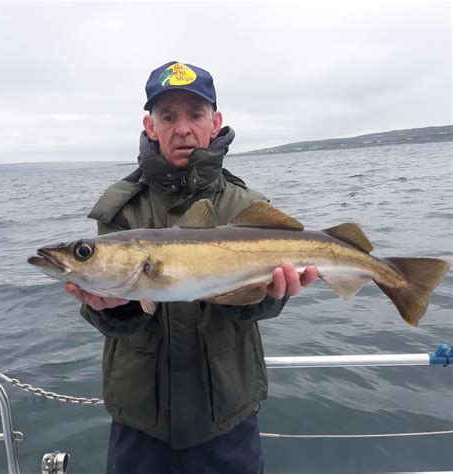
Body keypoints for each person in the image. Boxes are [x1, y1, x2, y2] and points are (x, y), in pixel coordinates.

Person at [65, 61, 317, 474]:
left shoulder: (245, 205)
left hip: (226, 415)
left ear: (215, 122)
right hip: (143, 420)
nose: (182, 128)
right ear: (151, 126)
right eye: (168, 116)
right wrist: (110, 308)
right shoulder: (120, 207)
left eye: (195, 114)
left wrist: (269, 296)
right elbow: (111, 314)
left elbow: (261, 309)